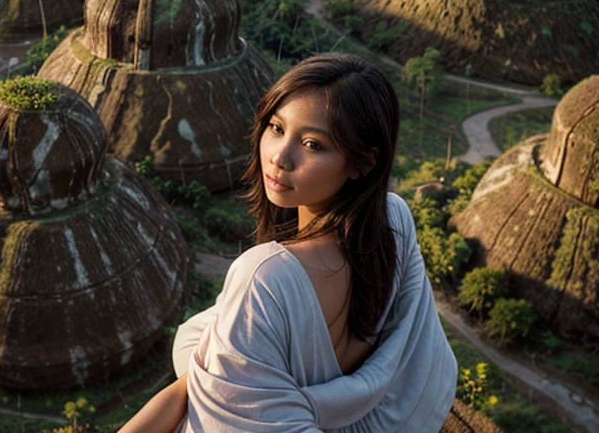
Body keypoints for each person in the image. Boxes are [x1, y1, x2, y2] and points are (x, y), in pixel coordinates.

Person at [120, 53, 456, 433]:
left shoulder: (266, 277)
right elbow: (206, 387)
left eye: (312, 144)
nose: (280, 157)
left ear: (363, 163)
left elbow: (211, 399)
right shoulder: (394, 221)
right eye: (277, 128)